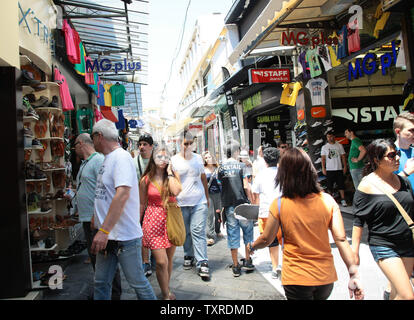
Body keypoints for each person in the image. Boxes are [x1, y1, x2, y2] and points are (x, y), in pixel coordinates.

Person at [249, 147, 364, 300]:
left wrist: (252, 247)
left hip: (296, 278)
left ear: (284, 174)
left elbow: (267, 239)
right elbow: (341, 239)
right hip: (325, 278)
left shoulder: (279, 204)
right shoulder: (327, 200)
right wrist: (353, 274)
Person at [90, 119, 156, 300]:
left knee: (138, 283)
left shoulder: (121, 158)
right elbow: (107, 194)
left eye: (93, 137)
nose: (92, 141)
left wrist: (103, 230)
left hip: (124, 238)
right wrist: (97, 219)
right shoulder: (108, 159)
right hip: (109, 237)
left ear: (99, 136)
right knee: (101, 283)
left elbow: (122, 194)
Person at [352, 139, 414, 300]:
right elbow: (358, 221)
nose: (398, 158)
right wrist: (354, 252)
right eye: (392, 155)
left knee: (396, 292)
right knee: (407, 295)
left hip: (407, 243)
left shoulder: (403, 181)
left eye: (397, 153)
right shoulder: (367, 185)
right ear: (376, 160)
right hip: (384, 245)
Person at [71, 133, 122, 300]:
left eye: (75, 146)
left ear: (81, 144)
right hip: (88, 218)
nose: (74, 150)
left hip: (95, 220)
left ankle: (112, 293)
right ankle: (104, 291)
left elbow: (106, 190)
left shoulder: (98, 161)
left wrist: (96, 215)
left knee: (105, 258)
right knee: (97, 259)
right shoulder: (87, 163)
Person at [139, 146, 182, 300]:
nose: (163, 160)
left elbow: (176, 192)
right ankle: (165, 294)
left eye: (166, 157)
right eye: (159, 156)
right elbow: (141, 204)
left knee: (169, 259)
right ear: (153, 158)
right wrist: (137, 224)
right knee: (161, 262)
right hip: (153, 220)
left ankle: (166, 288)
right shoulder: (145, 179)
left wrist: (170, 172)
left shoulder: (173, 175)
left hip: (171, 220)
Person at [171, 129, 210, 280]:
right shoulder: (174, 160)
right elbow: (173, 181)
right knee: (186, 232)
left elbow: (203, 180)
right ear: (179, 143)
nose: (188, 146)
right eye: (185, 143)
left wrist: (206, 199)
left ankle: (202, 262)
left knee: (197, 231)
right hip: (181, 202)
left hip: (199, 201)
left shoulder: (198, 158)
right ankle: (188, 254)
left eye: (190, 143)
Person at [217, 140, 255, 277]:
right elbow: (246, 186)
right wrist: (251, 200)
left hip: (229, 205)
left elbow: (220, 184)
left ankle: (235, 265)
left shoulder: (220, 168)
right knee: (248, 233)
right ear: (236, 152)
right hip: (243, 204)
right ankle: (248, 260)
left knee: (232, 234)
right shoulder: (242, 166)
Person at [251, 147, 282, 279]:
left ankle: (275, 267)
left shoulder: (261, 175)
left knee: (271, 240)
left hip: (266, 212)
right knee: (286, 240)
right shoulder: (284, 173)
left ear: (265, 160)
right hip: (284, 210)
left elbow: (255, 193)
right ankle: (286, 266)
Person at [135, 133, 154, 277]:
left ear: (151, 146)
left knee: (154, 232)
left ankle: (155, 256)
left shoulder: (156, 162)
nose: (142, 147)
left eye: (145, 144)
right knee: (142, 232)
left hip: (155, 204)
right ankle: (145, 261)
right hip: (139, 203)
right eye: (140, 144)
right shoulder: (134, 162)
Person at [321, 131, 348, 206]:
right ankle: (331, 201)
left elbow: (343, 157)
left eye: (331, 136)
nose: (329, 138)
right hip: (329, 169)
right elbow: (323, 158)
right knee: (329, 186)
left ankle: (343, 199)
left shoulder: (339, 145)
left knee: (341, 185)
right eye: (328, 137)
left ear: (334, 136)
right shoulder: (324, 147)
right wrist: (323, 168)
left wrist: (345, 166)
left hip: (339, 168)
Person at [202, 151, 222, 246]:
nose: (208, 159)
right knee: (209, 214)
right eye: (206, 157)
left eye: (209, 157)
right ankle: (210, 235)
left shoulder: (217, 168)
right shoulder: (203, 169)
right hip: (208, 194)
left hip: (218, 193)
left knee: (218, 213)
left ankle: (218, 230)